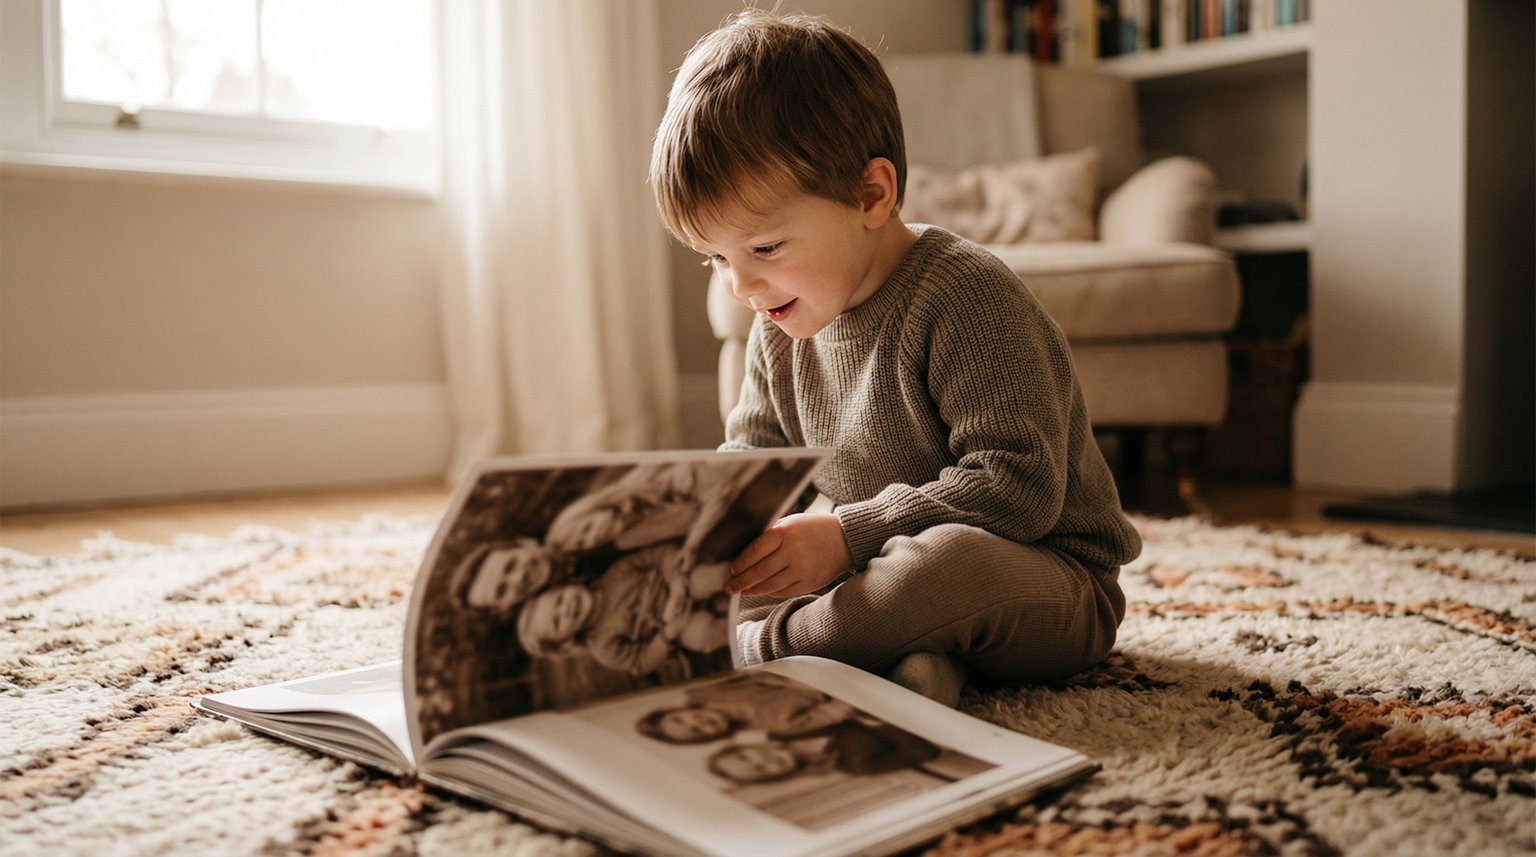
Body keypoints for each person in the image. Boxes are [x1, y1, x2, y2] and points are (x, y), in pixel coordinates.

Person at [648, 10, 1142, 706]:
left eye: (763, 249)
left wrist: (847, 536)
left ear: (871, 196)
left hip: (1045, 576)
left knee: (939, 570)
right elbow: (753, 464)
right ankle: (898, 658)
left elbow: (1018, 490)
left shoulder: (967, 295)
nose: (741, 286)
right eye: (716, 258)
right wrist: (700, 541)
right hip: (881, 566)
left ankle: (757, 652)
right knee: (742, 577)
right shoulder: (777, 323)